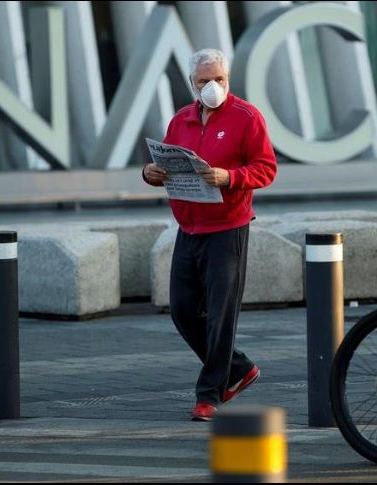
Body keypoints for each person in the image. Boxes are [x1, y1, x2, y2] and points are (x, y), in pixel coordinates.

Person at [142, 48, 277, 422]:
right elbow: (165, 165)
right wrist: (150, 173)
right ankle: (239, 367)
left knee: (221, 315)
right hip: (189, 228)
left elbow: (266, 169)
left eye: (219, 79)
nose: (213, 87)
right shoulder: (181, 120)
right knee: (184, 310)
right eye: (205, 82)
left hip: (228, 229)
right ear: (192, 84)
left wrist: (229, 177)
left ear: (228, 79)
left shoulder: (247, 117)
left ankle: (209, 393)